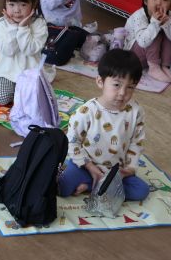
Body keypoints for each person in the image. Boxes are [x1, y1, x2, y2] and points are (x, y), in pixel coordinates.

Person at [59, 48, 150, 202]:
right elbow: (72, 142)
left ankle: (91, 186)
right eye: (117, 85)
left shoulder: (136, 111)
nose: (123, 93)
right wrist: (89, 166)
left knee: (141, 191)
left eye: (130, 87)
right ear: (100, 82)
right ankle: (96, 184)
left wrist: (129, 169)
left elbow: (136, 142)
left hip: (114, 173)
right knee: (62, 187)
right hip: (85, 166)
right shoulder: (86, 112)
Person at [0, 0, 48, 106]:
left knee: (33, 102)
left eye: (23, 5)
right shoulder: (0, 24)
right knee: (0, 99)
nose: (17, 10)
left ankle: (20, 92)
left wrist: (23, 28)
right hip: (6, 73)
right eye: (11, 4)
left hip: (31, 75)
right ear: (5, 3)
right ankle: (9, 89)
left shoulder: (39, 24)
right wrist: (13, 27)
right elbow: (8, 51)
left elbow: (30, 50)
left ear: (34, 4)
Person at [124, 0, 171, 83]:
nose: (159, 3)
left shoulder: (169, 16)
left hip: (152, 57)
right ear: (146, 1)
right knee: (154, 33)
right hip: (133, 58)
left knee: (169, 33)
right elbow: (142, 42)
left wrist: (167, 24)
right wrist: (155, 23)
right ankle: (154, 68)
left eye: (165, 0)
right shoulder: (139, 16)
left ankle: (164, 66)